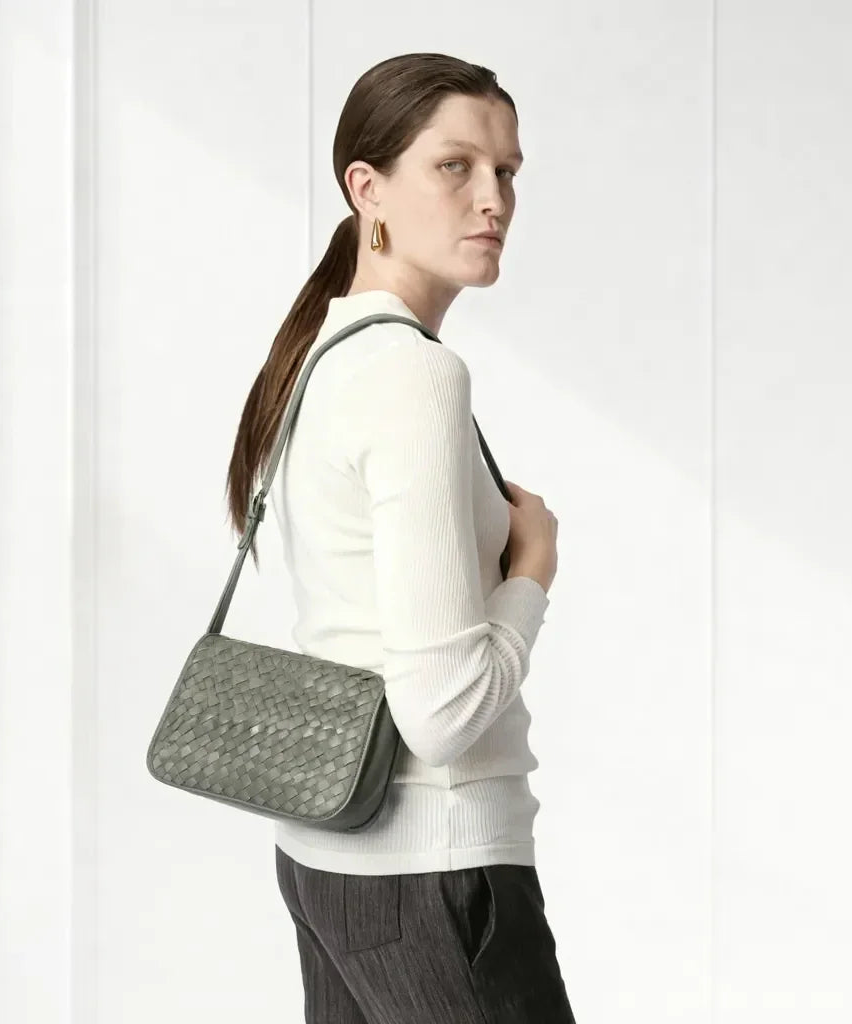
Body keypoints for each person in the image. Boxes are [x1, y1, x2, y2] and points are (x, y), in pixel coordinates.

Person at [225, 52, 573, 1024]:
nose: (491, 197)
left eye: (506, 171)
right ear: (366, 188)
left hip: (330, 858)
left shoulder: (316, 355)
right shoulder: (416, 376)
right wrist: (532, 568)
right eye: (454, 167)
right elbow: (444, 710)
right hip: (436, 867)